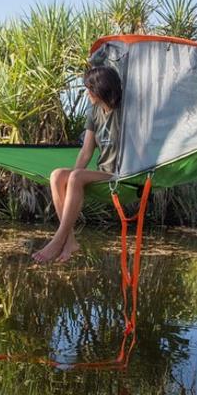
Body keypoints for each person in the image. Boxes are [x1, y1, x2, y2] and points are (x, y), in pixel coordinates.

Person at [32, 66, 122, 264]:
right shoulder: (94, 112)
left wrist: (75, 178)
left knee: (75, 177)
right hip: (103, 172)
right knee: (57, 175)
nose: (87, 92)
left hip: (122, 174)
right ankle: (70, 240)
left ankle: (58, 240)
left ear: (100, 89)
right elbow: (86, 152)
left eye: (89, 88)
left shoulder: (124, 113)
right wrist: (71, 179)